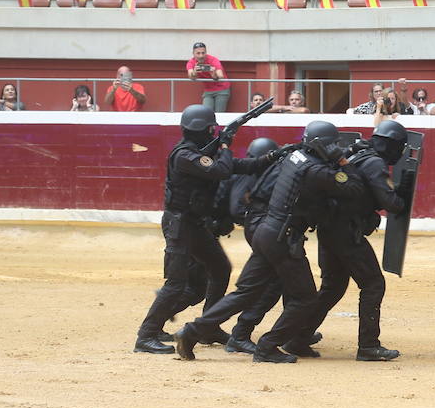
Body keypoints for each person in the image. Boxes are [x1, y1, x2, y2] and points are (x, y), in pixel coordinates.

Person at [174, 121, 360, 363]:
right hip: (282, 236)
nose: (336, 148)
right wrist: (345, 162)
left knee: (245, 293)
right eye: (332, 144)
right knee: (305, 299)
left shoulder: (294, 157)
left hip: (266, 231)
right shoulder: (315, 170)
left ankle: (191, 332)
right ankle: (268, 346)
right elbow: (353, 188)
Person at [134, 105, 238, 355]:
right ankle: (146, 336)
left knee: (220, 267)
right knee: (176, 283)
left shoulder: (195, 152)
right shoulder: (185, 155)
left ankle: (209, 326)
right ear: (204, 129)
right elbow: (221, 171)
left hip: (193, 222)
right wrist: (224, 146)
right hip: (179, 224)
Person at [302, 119, 408, 361]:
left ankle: (299, 334)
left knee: (332, 287)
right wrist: (402, 194)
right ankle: (368, 346)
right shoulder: (374, 163)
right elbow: (391, 203)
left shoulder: (358, 154)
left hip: (330, 228)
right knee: (373, 284)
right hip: (347, 232)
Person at [186, 41, 230, 112]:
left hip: (222, 89)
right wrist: (194, 72)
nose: (201, 56)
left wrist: (214, 74)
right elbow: (191, 77)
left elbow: (221, 76)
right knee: (206, 112)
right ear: (193, 54)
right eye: (198, 53)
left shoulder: (213, 60)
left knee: (219, 114)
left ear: (206, 52)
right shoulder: (191, 62)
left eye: (203, 53)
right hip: (208, 91)